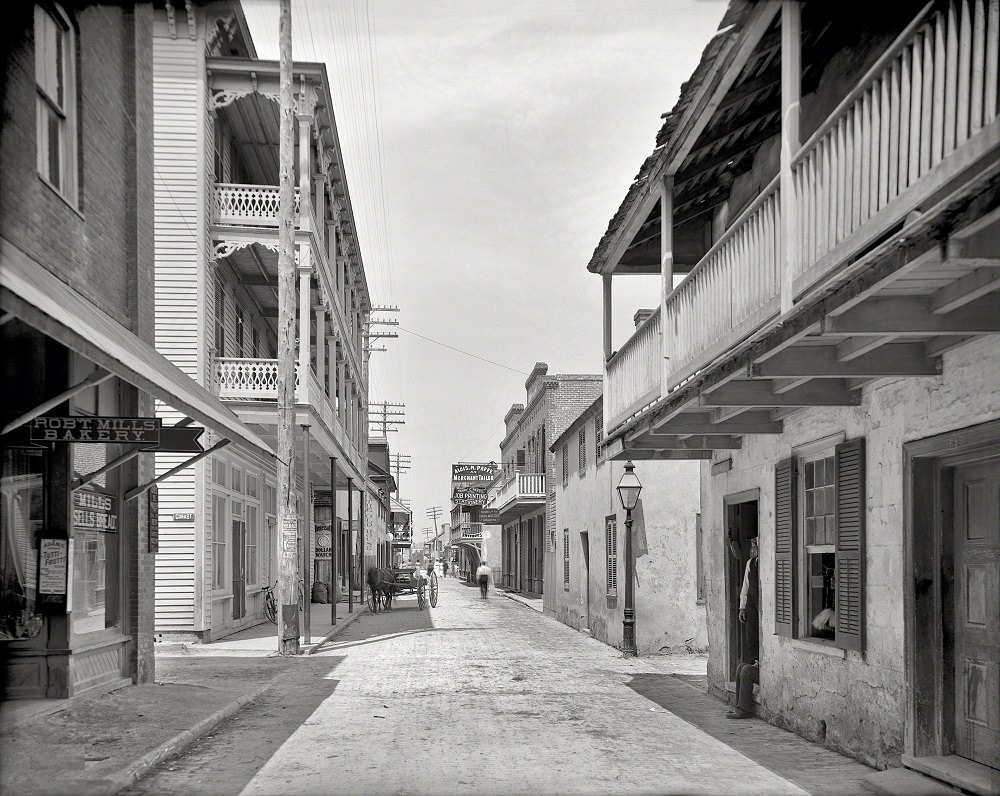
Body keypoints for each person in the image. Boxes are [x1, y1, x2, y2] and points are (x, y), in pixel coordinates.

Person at [728, 535, 759, 719]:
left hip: (762, 604)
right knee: (751, 636)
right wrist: (742, 606)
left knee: (745, 669)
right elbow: (745, 587)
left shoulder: (766, 562)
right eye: (751, 544)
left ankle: (743, 708)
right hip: (752, 604)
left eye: (755, 544)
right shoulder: (750, 563)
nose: (752, 548)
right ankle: (739, 706)